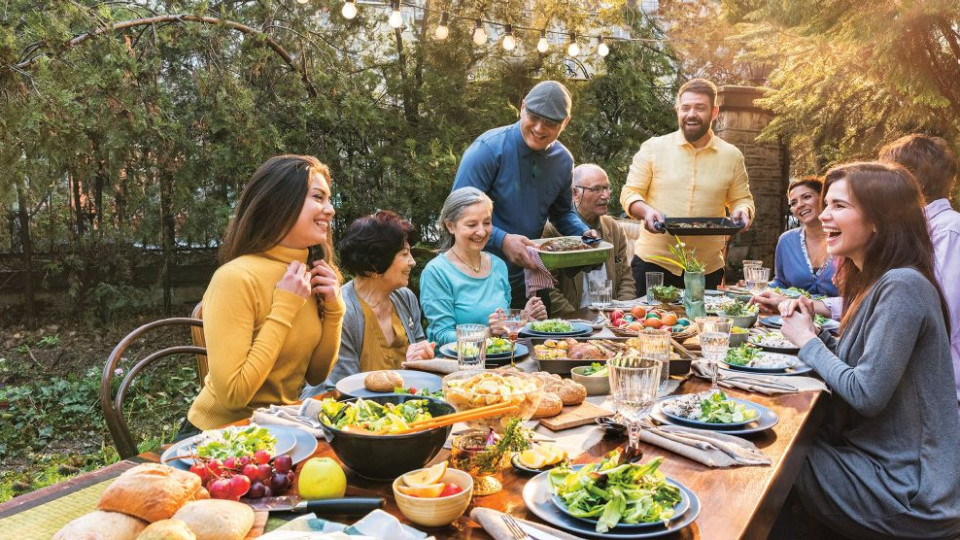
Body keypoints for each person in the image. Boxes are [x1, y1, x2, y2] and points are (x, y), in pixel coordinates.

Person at [770, 162, 960, 539]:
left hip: (910, 491)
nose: (823, 215)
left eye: (839, 206)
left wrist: (807, 341)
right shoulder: (875, 282)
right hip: (880, 466)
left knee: (773, 459)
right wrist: (816, 333)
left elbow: (866, 393)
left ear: (879, 219)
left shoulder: (903, 284)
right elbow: (859, 362)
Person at [186, 155, 345, 432]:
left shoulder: (309, 273)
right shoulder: (235, 278)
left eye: (329, 199)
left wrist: (334, 309)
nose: (330, 210)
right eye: (318, 197)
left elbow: (315, 374)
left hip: (282, 428)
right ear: (281, 204)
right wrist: (284, 308)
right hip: (220, 436)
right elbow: (233, 395)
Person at [452, 81, 595, 308]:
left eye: (550, 123)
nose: (539, 128)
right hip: (478, 275)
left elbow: (562, 212)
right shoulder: (487, 149)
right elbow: (458, 212)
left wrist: (585, 235)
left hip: (530, 277)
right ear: (522, 107)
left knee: (542, 342)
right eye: (534, 117)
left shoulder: (563, 160)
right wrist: (503, 240)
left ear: (565, 122)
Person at [620, 78, 755, 296]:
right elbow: (630, 193)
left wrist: (743, 211)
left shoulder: (732, 156)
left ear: (714, 112)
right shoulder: (653, 148)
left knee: (701, 327)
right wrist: (646, 211)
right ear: (677, 111)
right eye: (686, 108)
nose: (691, 114)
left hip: (706, 268)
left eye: (700, 108)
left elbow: (742, 199)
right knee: (648, 327)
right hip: (654, 263)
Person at [300, 211, 435, 397]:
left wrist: (422, 359)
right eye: (404, 254)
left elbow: (420, 362)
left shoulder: (405, 298)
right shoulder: (343, 311)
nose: (412, 262)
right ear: (374, 265)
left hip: (400, 409)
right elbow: (340, 389)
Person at [879, 134, 960, 416]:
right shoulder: (918, 233)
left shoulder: (949, 233)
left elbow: (937, 320)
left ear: (908, 182)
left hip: (939, 401)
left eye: (886, 177)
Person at [420, 188, 546, 346]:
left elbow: (500, 325)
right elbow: (442, 336)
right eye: (472, 224)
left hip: (498, 362)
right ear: (450, 226)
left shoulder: (498, 265)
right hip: (457, 365)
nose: (481, 231)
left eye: (487, 223)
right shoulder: (436, 272)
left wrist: (523, 319)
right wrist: (488, 332)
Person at [542, 164, 636, 315]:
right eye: (596, 189)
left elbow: (626, 279)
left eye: (606, 188)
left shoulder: (613, 228)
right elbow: (548, 288)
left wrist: (623, 314)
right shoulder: (553, 230)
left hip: (612, 318)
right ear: (574, 193)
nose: (605, 195)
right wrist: (577, 320)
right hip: (574, 319)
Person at [768, 176, 839, 296]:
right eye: (793, 203)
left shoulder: (845, 239)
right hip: (794, 313)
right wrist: (757, 286)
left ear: (823, 198)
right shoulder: (786, 241)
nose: (799, 205)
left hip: (841, 314)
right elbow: (781, 283)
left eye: (806, 197)